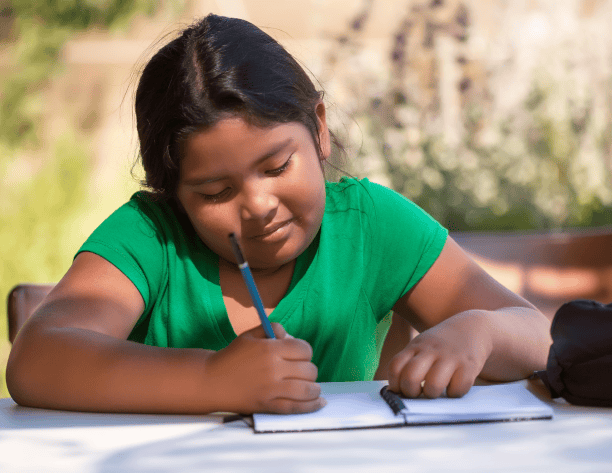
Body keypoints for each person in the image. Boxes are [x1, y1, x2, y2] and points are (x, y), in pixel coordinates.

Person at [6, 14, 551, 415]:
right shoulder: (151, 236)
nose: (258, 206)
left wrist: (479, 332)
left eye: (276, 166)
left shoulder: (371, 225)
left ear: (318, 127)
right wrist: (213, 379)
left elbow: (541, 337)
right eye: (215, 191)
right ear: (170, 194)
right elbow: (37, 360)